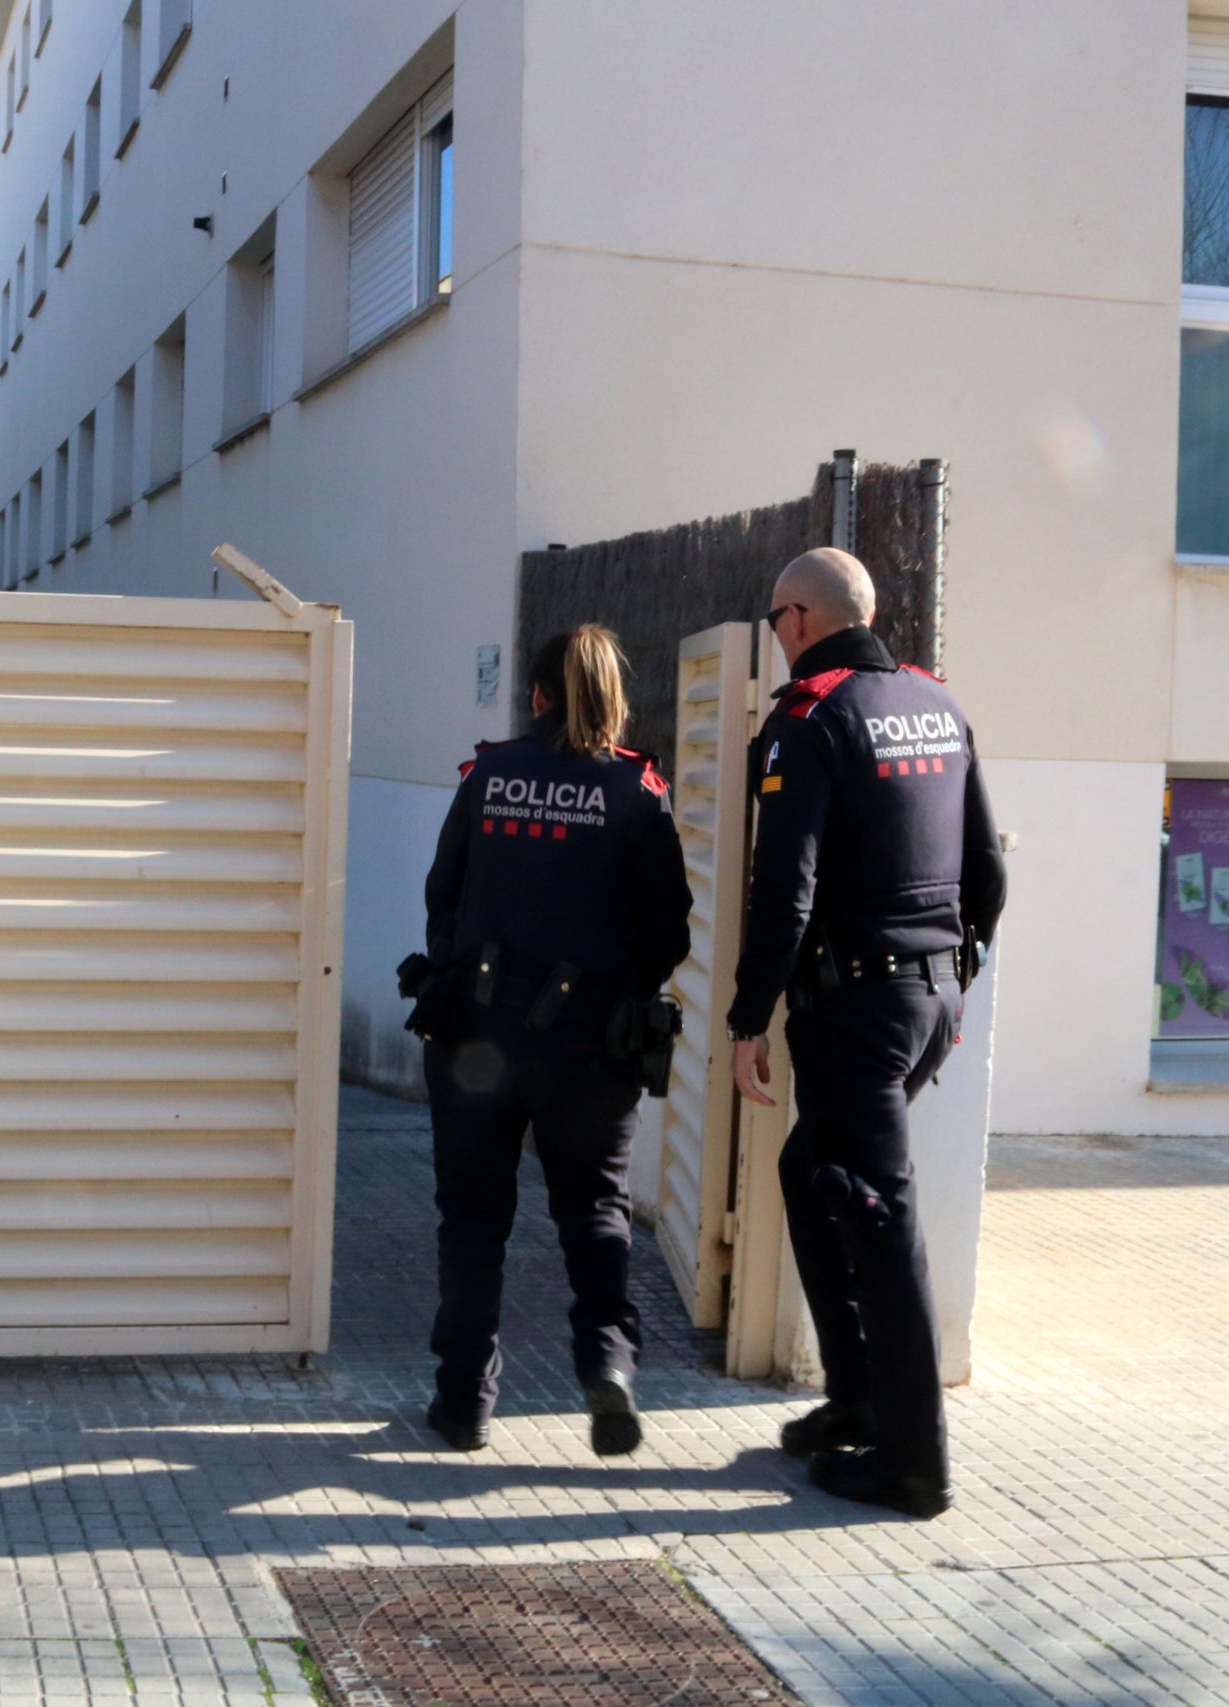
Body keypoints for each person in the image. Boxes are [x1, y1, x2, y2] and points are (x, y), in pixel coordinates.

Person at [728, 547, 1008, 1521]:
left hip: (855, 1014)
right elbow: (987, 872)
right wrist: (953, 982)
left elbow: (785, 890)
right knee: (811, 1176)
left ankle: (913, 1465)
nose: (776, 638)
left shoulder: (808, 719)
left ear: (799, 619)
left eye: (774, 620)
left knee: (883, 1229)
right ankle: (852, 1404)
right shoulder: (937, 703)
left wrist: (744, 1017)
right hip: (926, 1000)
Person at [406, 625, 693, 1456]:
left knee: (471, 1221)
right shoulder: (638, 791)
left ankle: (463, 1402)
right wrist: (611, 990)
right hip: (591, 1049)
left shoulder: (487, 774)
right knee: (596, 1212)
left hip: (477, 1041)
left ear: (535, 696)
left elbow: (442, 895)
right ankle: (607, 1363)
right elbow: (669, 928)